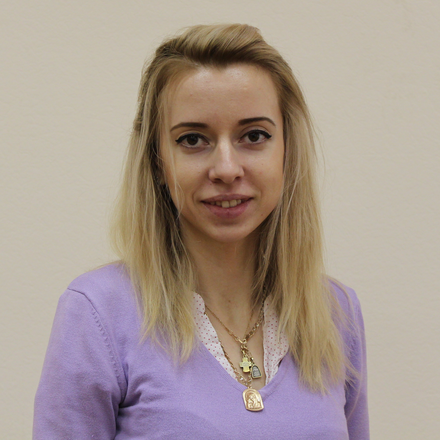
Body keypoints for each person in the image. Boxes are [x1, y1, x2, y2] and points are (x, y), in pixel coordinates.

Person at [33, 24, 369, 439]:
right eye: (193, 139)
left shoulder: (336, 313)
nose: (226, 169)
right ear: (157, 160)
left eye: (254, 136)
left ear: (287, 150)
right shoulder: (98, 313)